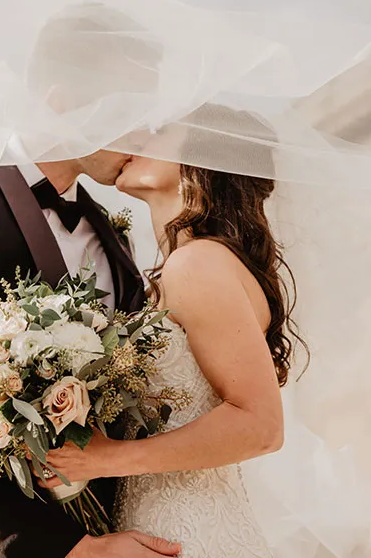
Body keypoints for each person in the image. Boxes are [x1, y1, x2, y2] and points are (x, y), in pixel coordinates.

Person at [0, 3, 180, 558]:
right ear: (62, 102)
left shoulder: (114, 238)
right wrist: (69, 550)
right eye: (131, 109)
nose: (147, 131)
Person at [39, 106, 296, 556]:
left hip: (189, 532)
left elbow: (262, 425)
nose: (135, 136)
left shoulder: (198, 264)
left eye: (158, 132)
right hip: (160, 524)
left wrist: (104, 459)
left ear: (198, 161)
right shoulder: (183, 266)